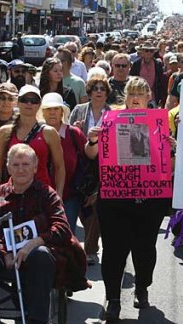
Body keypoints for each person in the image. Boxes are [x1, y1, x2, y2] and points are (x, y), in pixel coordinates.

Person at [0, 144, 74, 324]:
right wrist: (3, 251)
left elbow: (63, 228)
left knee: (41, 254)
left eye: (25, 164)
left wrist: (35, 242)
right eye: (15, 164)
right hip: (4, 258)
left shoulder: (47, 194)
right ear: (8, 167)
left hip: (35, 259)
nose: (20, 169)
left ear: (35, 167)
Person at [85, 77, 170, 321]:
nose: (135, 97)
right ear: (125, 97)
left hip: (148, 199)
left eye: (140, 93)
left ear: (148, 98)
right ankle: (113, 299)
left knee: (144, 248)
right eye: (131, 93)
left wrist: (171, 148)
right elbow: (91, 154)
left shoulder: (158, 123)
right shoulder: (111, 120)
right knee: (114, 249)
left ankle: (142, 286)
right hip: (115, 198)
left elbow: (170, 164)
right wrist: (93, 140)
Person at [0, 85, 65, 196]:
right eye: (25, 100)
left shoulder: (49, 132)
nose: (29, 104)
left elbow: (60, 168)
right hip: (13, 194)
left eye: (34, 100)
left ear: (39, 105)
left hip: (42, 195)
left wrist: (58, 196)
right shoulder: (5, 132)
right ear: (18, 102)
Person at [69, 76, 112, 265]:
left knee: (95, 208)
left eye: (103, 88)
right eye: (95, 88)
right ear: (89, 92)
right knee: (79, 206)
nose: (99, 91)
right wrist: (75, 129)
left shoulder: (112, 113)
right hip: (79, 164)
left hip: (102, 166)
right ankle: (75, 247)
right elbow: (68, 134)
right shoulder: (79, 110)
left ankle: (91, 249)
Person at [40, 92, 87, 233]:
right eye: (48, 109)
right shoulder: (36, 134)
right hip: (41, 196)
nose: (52, 112)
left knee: (65, 233)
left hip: (70, 194)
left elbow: (88, 159)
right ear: (42, 112)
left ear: (62, 112)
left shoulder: (74, 134)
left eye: (56, 109)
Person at [129, 42, 165, 107]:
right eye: (146, 51)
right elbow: (131, 80)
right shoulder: (136, 64)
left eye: (151, 51)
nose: (149, 53)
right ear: (142, 52)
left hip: (153, 97)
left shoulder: (158, 65)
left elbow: (161, 82)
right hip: (138, 97)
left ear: (153, 53)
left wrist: (161, 98)